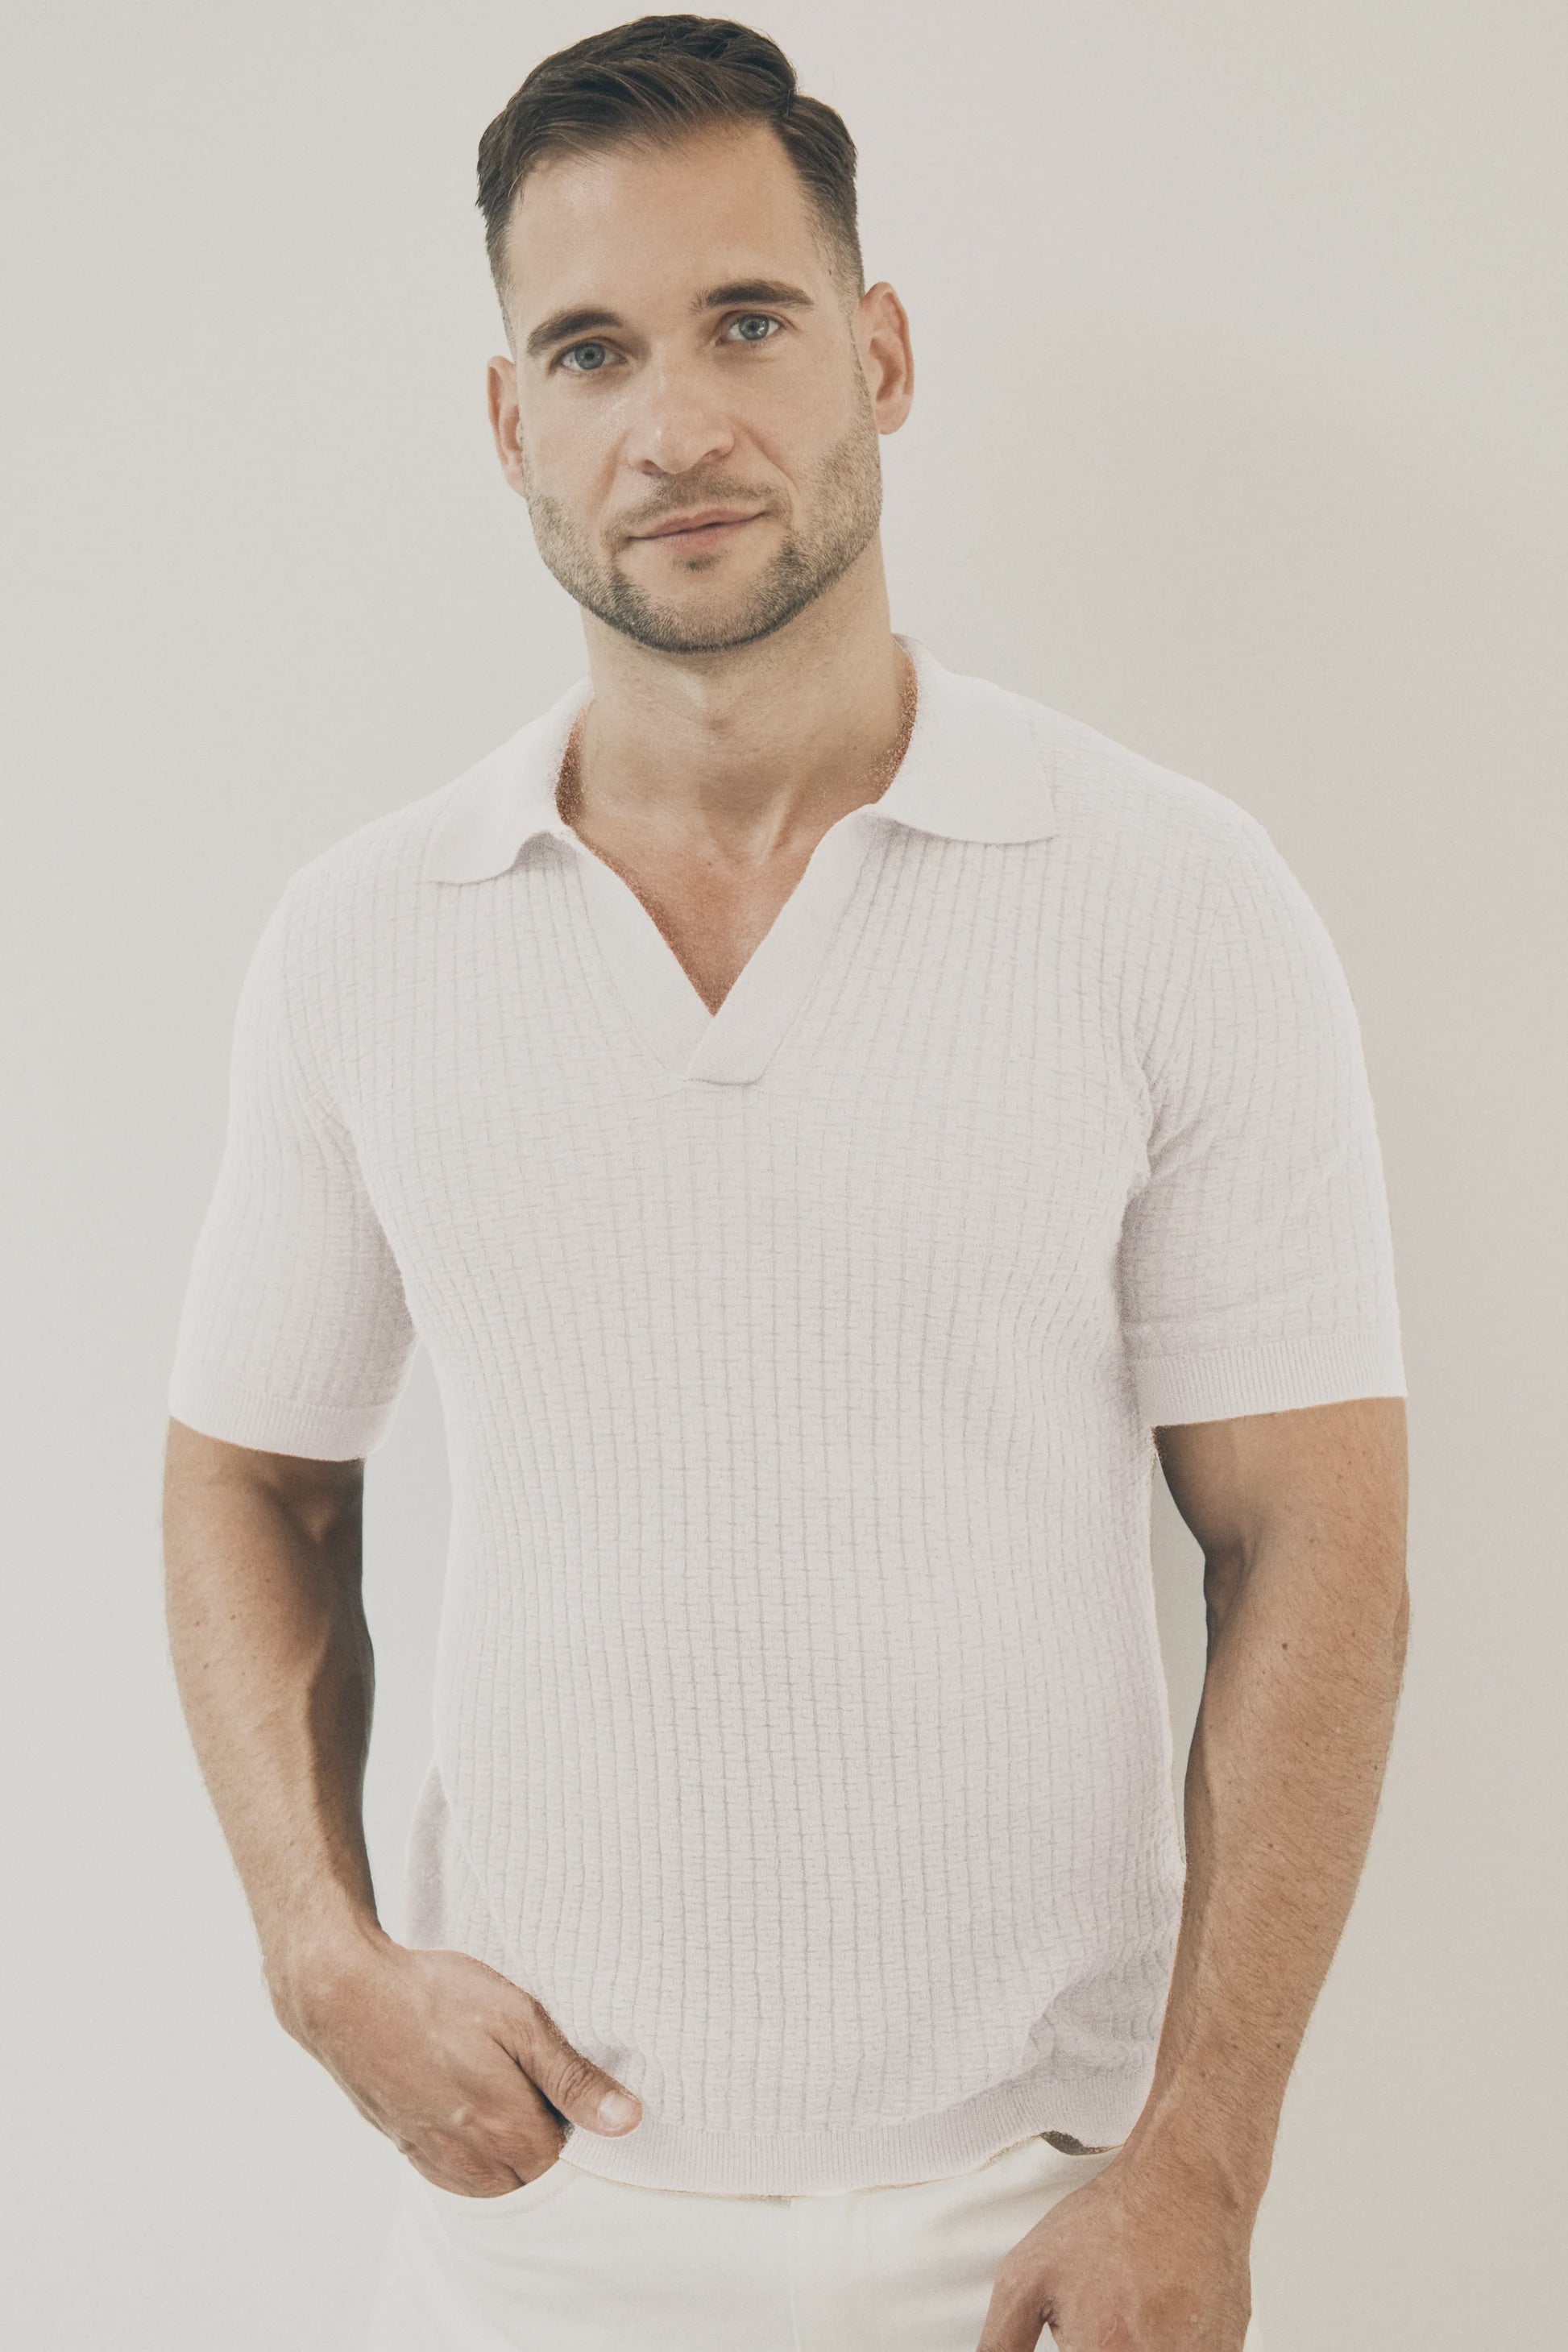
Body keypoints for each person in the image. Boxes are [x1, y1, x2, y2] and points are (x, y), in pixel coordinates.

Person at [160, 16, 1409, 2350]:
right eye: (592, 351)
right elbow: (252, 1470)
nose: (677, 425)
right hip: (533, 2226)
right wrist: (317, 1955)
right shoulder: (366, 935)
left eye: (746, 321)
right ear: (511, 423)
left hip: (1032, 2221)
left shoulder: (1167, 894)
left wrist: (1203, 2156)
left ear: (880, 354)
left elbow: (1313, 1541)